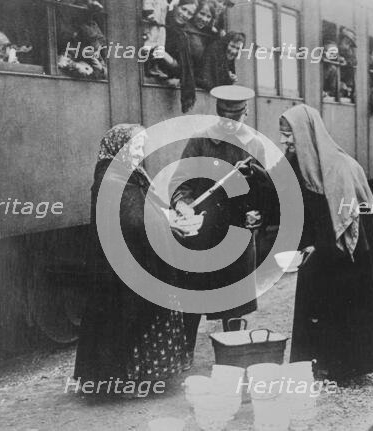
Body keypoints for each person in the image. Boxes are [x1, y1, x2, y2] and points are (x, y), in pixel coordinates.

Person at [74, 124, 195, 393]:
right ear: (119, 148)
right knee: (124, 322)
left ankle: (143, 375)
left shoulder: (130, 174)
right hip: (122, 270)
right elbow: (131, 221)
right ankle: (125, 380)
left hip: (137, 261)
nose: (140, 153)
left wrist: (167, 217)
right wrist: (164, 222)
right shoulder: (111, 178)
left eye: (142, 147)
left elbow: (143, 209)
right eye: (135, 147)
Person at [281, 104, 373, 382]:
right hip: (318, 246)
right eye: (282, 135)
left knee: (346, 302)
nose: (284, 141)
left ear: (304, 134)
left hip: (349, 253)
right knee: (315, 303)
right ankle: (318, 362)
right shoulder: (296, 164)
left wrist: (322, 244)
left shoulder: (342, 168)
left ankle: (350, 365)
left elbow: (350, 222)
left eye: (288, 135)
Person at [170, 85, 270, 364]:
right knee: (192, 301)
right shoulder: (200, 140)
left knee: (234, 303)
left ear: (245, 113)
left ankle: (233, 360)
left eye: (234, 117)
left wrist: (258, 214)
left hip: (237, 234)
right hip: (200, 234)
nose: (228, 123)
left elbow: (264, 192)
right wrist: (181, 204)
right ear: (217, 112)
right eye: (223, 116)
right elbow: (181, 182)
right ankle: (183, 359)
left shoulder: (254, 144)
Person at [160, 0, 198, 113]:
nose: (185, 15)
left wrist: (167, 58)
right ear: (176, 6)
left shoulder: (183, 35)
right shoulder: (163, 21)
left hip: (171, 79)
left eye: (190, 13)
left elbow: (184, 67)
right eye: (184, 9)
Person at [186, 0, 216, 79]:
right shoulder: (184, 28)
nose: (204, 19)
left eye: (208, 16)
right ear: (195, 12)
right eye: (202, 14)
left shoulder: (210, 36)